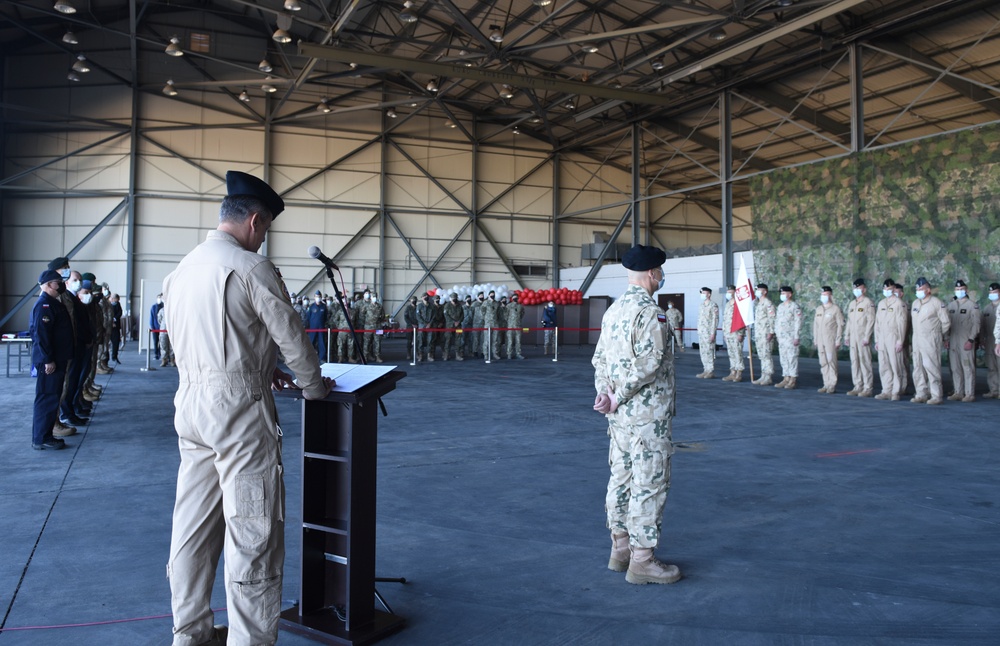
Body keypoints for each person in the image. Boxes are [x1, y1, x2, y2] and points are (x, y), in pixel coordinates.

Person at [163, 170, 332, 646]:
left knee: (193, 526)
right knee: (253, 531)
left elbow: (203, 342)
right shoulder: (251, 267)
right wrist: (312, 387)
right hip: (238, 413)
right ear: (255, 221)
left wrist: (258, 369)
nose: (263, 241)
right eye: (266, 231)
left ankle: (190, 633)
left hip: (191, 404)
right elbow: (291, 335)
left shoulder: (182, 269)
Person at [592, 244, 680, 586]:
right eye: (660, 271)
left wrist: (605, 393)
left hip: (620, 419)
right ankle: (643, 561)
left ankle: (621, 549)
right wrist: (616, 395)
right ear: (653, 273)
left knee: (621, 477)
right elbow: (650, 362)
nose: (661, 276)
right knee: (649, 483)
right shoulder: (650, 313)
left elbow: (600, 359)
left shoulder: (613, 312)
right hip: (647, 417)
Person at [30, 269, 75, 450]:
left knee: (52, 397)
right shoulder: (44, 306)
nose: (61, 285)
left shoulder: (52, 303)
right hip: (50, 362)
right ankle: (41, 438)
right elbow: (42, 336)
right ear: (48, 285)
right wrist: (48, 360)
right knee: (47, 398)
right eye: (58, 282)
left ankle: (46, 434)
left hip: (58, 359)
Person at [910, 277, 950, 405]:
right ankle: (921, 393)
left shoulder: (936, 303)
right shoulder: (915, 303)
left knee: (932, 367)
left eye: (921, 289)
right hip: (917, 339)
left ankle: (936, 395)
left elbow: (946, 322)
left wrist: (937, 334)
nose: (918, 291)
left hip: (931, 339)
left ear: (928, 290)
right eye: (917, 289)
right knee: (918, 367)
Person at [874, 278, 908, 400]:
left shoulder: (899, 303)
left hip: (893, 337)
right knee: (884, 365)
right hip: (882, 338)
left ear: (894, 289)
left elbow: (902, 323)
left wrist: (900, 340)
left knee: (895, 365)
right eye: (885, 289)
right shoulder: (882, 303)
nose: (886, 291)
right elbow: (877, 323)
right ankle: (886, 390)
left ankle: (895, 392)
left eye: (889, 289)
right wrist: (877, 340)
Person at [945, 279, 979, 402]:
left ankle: (969, 394)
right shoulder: (951, 306)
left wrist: (971, 339)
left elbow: (976, 325)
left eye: (962, 289)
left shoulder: (972, 305)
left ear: (966, 290)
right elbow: (947, 324)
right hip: (953, 341)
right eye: (957, 289)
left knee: (967, 367)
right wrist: (946, 338)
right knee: (955, 367)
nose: (959, 291)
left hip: (966, 340)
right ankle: (958, 392)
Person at [844, 278, 876, 397]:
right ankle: (858, 385)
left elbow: (871, 320)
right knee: (854, 361)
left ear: (864, 289)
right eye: (855, 288)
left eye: (859, 288)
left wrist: (867, 336)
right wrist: (846, 335)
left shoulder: (868, 302)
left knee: (865, 361)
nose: (856, 290)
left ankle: (868, 387)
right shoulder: (852, 304)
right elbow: (849, 321)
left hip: (863, 336)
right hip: (853, 337)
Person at [813, 285, 845, 394]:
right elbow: (815, 325)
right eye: (822, 295)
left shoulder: (835, 309)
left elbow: (840, 325)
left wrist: (838, 339)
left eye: (825, 295)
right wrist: (816, 339)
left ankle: (832, 384)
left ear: (830, 295)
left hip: (830, 339)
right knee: (823, 362)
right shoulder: (819, 309)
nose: (823, 297)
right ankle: (825, 383)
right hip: (820, 340)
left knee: (831, 361)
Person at [774, 286, 803, 389]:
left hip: (790, 337)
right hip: (781, 338)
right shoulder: (780, 306)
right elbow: (777, 322)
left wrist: (796, 337)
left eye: (784, 293)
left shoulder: (795, 306)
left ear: (790, 294)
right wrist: (777, 334)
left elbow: (798, 322)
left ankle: (792, 379)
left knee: (792, 358)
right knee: (783, 358)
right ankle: (786, 377)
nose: (782, 295)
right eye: (781, 293)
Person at [752, 283, 776, 386]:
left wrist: (771, 332)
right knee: (762, 355)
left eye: (759, 290)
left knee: (766, 355)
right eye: (756, 289)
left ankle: (768, 376)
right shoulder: (758, 303)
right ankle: (763, 375)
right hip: (759, 333)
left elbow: (772, 318)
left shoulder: (768, 303)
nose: (757, 291)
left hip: (766, 333)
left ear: (765, 291)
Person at [721, 285, 746, 382]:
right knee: (731, 353)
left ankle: (739, 373)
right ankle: (733, 372)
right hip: (728, 333)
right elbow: (725, 319)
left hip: (736, 333)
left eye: (731, 291)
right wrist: (724, 332)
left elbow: (741, 320)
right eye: (728, 292)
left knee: (737, 353)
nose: (728, 294)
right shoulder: (727, 304)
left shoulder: (739, 304)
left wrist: (741, 333)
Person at [981, 282, 1000, 398]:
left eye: (995, 292)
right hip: (989, 341)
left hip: (999, 340)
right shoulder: (987, 308)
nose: (992, 294)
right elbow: (983, 325)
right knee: (991, 366)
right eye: (991, 292)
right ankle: (994, 390)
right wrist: (982, 338)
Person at [695, 287, 719, 378]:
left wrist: (713, 333)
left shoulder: (713, 305)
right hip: (702, 332)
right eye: (701, 293)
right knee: (703, 351)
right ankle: (705, 369)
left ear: (709, 294)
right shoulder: (701, 305)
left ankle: (710, 370)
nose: (702, 295)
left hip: (709, 332)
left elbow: (715, 320)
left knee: (709, 351)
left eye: (703, 293)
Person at [306, 290, 329, 361]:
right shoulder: (311, 307)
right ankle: (309, 358)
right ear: (314, 297)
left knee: (321, 343)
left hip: (321, 328)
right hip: (312, 328)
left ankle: (322, 358)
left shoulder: (324, 307)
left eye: (319, 297)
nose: (318, 298)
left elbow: (325, 317)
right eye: (316, 297)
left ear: (321, 297)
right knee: (311, 343)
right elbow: (308, 317)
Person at [443, 293, 465, 361]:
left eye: (455, 298)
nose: (454, 299)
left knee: (458, 340)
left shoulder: (459, 305)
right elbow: (446, 316)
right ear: (450, 298)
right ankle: (446, 354)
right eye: (453, 298)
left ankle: (457, 355)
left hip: (458, 326)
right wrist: (453, 322)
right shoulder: (447, 305)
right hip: (449, 326)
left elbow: (462, 315)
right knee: (448, 340)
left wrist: (458, 322)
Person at [364, 295, 385, 363]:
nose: (374, 298)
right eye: (373, 297)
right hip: (368, 327)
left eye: (375, 296)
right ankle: (365, 356)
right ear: (371, 298)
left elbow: (383, 316)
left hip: (378, 326)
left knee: (378, 341)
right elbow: (362, 316)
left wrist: (378, 321)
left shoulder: (380, 306)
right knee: (367, 342)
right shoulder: (366, 306)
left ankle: (377, 356)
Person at [481, 290, 500, 360]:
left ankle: (495, 353)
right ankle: (485, 354)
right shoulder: (485, 303)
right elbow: (482, 311)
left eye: (493, 294)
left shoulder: (496, 303)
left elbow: (498, 313)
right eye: (491, 294)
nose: (492, 296)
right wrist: (485, 318)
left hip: (495, 323)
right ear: (488, 295)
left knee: (495, 340)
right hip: (488, 323)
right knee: (486, 340)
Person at [505, 293, 525, 360]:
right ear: (512, 298)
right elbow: (505, 315)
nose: (515, 298)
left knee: (518, 341)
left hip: (518, 326)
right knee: (510, 341)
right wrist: (509, 321)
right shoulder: (508, 306)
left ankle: (518, 354)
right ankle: (509, 354)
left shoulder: (520, 306)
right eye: (514, 297)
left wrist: (518, 320)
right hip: (510, 326)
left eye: (516, 297)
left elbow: (522, 314)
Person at [417, 293, 433, 361]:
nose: (425, 297)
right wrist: (425, 323)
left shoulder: (431, 306)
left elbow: (433, 316)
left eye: (427, 296)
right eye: (424, 296)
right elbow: (418, 316)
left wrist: (430, 323)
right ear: (422, 297)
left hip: (430, 326)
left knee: (430, 340)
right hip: (422, 325)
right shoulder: (419, 306)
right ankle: (420, 355)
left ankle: (429, 355)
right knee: (421, 340)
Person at [402, 296, 419, 361]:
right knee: (409, 340)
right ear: (410, 301)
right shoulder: (408, 308)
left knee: (417, 341)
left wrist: (417, 324)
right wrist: (411, 324)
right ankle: (408, 353)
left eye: (415, 300)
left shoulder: (418, 307)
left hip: (417, 326)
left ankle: (417, 353)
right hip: (410, 326)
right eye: (412, 300)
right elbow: (406, 317)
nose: (414, 301)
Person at [158, 302, 174, 367]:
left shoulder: (173, 309)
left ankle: (172, 360)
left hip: (172, 330)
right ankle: (164, 360)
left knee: (172, 346)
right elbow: (159, 320)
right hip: (163, 330)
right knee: (163, 345)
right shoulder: (161, 310)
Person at [109, 293, 123, 363]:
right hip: (109, 325)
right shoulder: (108, 305)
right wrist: (111, 321)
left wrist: (115, 319)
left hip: (116, 325)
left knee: (116, 341)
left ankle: (114, 356)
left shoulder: (118, 305)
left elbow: (120, 313)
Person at [471, 292, 486, 358]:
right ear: (477, 297)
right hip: (476, 324)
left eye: (482, 296)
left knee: (483, 339)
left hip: (484, 324)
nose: (481, 297)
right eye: (480, 296)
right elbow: (471, 314)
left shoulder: (485, 304)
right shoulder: (474, 304)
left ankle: (483, 351)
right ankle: (475, 351)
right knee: (475, 338)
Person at [150, 293, 164, 361]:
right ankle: (156, 354)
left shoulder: (165, 307)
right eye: (158, 297)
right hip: (155, 328)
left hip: (163, 328)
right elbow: (151, 318)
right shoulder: (153, 307)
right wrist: (152, 326)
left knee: (162, 342)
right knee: (156, 341)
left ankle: (162, 355)